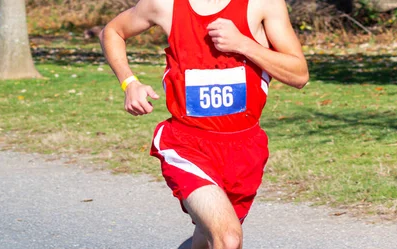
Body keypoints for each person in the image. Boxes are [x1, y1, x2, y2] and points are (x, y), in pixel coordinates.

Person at [99, 0, 309, 248]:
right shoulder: (165, 4)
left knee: (208, 239)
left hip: (245, 151)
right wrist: (129, 83)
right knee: (228, 238)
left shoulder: (263, 4)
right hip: (187, 146)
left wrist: (244, 44)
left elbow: (299, 74)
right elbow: (112, 32)